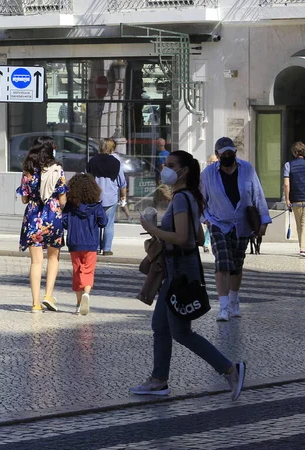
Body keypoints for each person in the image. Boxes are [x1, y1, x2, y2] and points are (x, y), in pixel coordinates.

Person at [131, 150, 246, 401]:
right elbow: (197, 237)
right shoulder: (189, 197)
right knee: (160, 326)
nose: (165, 168)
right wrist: (163, 230)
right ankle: (159, 380)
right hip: (178, 269)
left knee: (181, 331)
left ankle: (230, 369)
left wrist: (153, 229)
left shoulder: (182, 199)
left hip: (180, 272)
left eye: (170, 165)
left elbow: (184, 239)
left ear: (183, 171)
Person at [201, 137, 271, 322]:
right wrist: (206, 219)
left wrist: (263, 222)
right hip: (218, 223)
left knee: (236, 266)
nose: (228, 156)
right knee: (222, 263)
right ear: (217, 155)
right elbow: (201, 200)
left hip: (242, 224)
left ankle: (234, 302)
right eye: (224, 154)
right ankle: (223, 307)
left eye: (231, 153)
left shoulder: (247, 169)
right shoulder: (208, 173)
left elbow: (258, 195)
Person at [17, 136, 68, 313]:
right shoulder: (57, 170)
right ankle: (48, 295)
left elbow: (24, 198)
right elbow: (62, 199)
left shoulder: (27, 171)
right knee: (53, 258)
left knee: (36, 263)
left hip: (33, 218)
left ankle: (35, 303)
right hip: (53, 216)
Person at [62, 173, 107, 315]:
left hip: (74, 242)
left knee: (77, 271)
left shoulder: (70, 206)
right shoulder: (96, 206)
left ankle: (78, 303)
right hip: (91, 242)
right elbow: (103, 222)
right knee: (88, 269)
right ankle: (86, 293)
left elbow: (64, 223)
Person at [87, 138, 127, 256]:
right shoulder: (116, 163)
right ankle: (107, 248)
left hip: (95, 197)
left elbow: (87, 178)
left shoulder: (92, 161)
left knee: (95, 223)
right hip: (111, 197)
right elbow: (122, 183)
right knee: (109, 224)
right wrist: (123, 197)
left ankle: (96, 247)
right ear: (112, 148)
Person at [283, 141, 305, 256]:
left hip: (295, 199)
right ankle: (303, 247)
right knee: (304, 223)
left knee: (299, 223)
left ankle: (302, 247)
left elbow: (286, 184)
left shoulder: (288, 165)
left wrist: (287, 200)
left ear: (295, 152)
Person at [202, 153, 218, 253]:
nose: (213, 164)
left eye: (215, 162)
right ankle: (206, 244)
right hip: (210, 207)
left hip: (218, 207)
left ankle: (207, 243)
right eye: (211, 162)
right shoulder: (205, 174)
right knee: (210, 226)